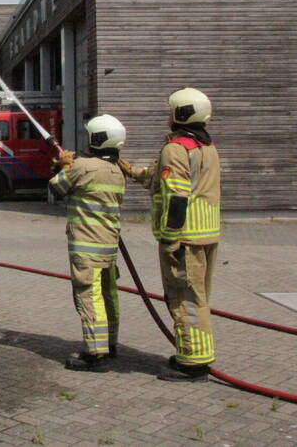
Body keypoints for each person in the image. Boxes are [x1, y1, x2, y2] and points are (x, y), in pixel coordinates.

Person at [118, 87, 221, 382]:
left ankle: (191, 363)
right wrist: (130, 170)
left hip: (184, 237)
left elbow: (176, 195)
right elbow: (158, 178)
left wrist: (171, 237)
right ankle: (195, 354)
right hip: (205, 234)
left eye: (170, 110)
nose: (167, 115)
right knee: (197, 297)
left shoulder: (176, 149)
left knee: (184, 298)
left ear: (181, 113)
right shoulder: (205, 147)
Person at [49, 115, 127, 372]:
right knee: (109, 295)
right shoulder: (117, 171)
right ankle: (110, 344)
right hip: (108, 246)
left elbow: (56, 188)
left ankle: (95, 354)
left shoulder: (82, 167)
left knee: (89, 298)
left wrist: (63, 165)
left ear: (96, 138)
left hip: (86, 247)